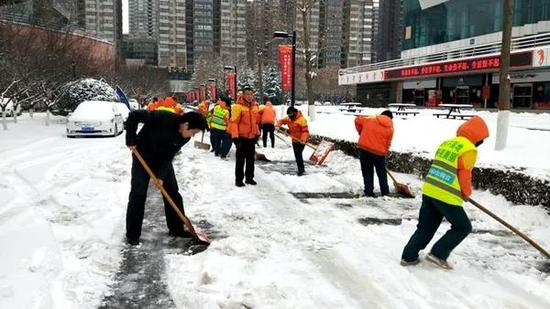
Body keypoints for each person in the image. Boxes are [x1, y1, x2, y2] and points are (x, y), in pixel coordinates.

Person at [401, 116, 489, 269]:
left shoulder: (447, 143)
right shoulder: (468, 149)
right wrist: (466, 192)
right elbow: (464, 174)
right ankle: (438, 254)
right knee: (463, 227)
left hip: (430, 190)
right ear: (478, 137)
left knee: (426, 227)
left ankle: (408, 257)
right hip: (446, 195)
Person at [125, 110, 207, 246]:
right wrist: (131, 139)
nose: (192, 136)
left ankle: (176, 228)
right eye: (193, 132)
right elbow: (134, 116)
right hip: (142, 156)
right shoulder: (162, 117)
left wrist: (161, 177)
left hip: (162, 159)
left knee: (173, 193)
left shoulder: (184, 137)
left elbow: (169, 156)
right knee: (138, 194)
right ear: (186, 125)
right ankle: (132, 234)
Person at [355, 110, 394, 198]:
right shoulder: (390, 128)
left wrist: (361, 132)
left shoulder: (370, 119)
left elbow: (357, 120)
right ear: (390, 119)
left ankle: (369, 192)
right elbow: (388, 143)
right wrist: (385, 152)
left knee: (367, 171)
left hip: (364, 149)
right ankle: (385, 192)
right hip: (379, 153)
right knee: (382, 173)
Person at [229, 87, 260, 187]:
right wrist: (235, 137)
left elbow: (256, 123)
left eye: (251, 94)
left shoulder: (255, 107)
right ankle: (239, 180)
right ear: (243, 95)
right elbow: (233, 123)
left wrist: (257, 134)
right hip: (241, 138)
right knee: (240, 160)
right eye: (247, 94)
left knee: (251, 159)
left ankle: (249, 178)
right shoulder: (237, 107)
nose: (249, 96)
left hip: (251, 137)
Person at [277, 106, 309, 176]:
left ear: (294, 113)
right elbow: (281, 121)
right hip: (294, 139)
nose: (289, 116)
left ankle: (301, 170)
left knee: (298, 154)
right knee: (297, 155)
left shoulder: (302, 120)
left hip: (302, 140)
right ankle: (300, 169)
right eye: (288, 115)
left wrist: (303, 139)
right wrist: (278, 125)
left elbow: (305, 131)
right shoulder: (289, 118)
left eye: (290, 115)